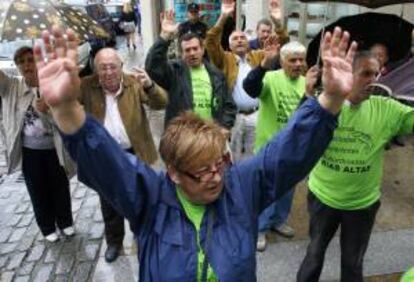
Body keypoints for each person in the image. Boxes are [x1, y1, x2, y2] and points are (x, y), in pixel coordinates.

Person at [34, 25, 356, 282]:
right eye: (201, 171)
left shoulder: (240, 187)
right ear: (173, 172)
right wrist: (65, 109)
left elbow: (286, 154)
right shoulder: (150, 199)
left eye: (219, 164)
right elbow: (105, 159)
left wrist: (330, 100)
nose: (216, 177)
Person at [297, 51, 414, 282]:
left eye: (376, 74)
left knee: (352, 264)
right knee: (314, 255)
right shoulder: (326, 103)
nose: (373, 80)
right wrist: (307, 96)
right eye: (366, 74)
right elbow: (298, 137)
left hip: (362, 205)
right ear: (348, 74)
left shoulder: (388, 109)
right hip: (323, 198)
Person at [79, 48, 167, 262]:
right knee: (109, 201)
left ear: (121, 66)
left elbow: (161, 102)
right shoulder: (87, 85)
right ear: (95, 69)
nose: (108, 72)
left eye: (113, 66)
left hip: (134, 150)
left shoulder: (133, 82)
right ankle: (114, 241)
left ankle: (140, 235)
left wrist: (150, 85)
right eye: (103, 67)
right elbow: (66, 100)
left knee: (139, 195)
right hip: (104, 155)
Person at [243, 40, 319, 251]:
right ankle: (259, 227)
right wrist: (264, 64)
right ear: (282, 61)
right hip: (269, 148)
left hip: (293, 150)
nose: (297, 64)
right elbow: (250, 87)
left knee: (286, 190)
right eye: (292, 60)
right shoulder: (270, 78)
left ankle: (277, 220)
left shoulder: (307, 83)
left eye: (301, 60)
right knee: (265, 190)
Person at [0, 46, 75, 242]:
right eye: (21, 62)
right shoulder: (12, 87)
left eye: (30, 60)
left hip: (54, 149)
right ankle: (47, 226)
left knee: (60, 186)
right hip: (29, 151)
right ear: (17, 66)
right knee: (37, 189)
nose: (26, 65)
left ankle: (65, 222)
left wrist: (49, 110)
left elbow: (68, 118)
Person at [145, 10, 236, 129]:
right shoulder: (174, 72)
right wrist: (164, 37)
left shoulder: (217, 75)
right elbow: (153, 66)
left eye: (195, 48)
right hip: (182, 136)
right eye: (187, 50)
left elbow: (229, 106)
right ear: (181, 53)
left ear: (202, 50)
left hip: (210, 136)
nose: (192, 53)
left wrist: (224, 128)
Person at [205, 0, 266, 160]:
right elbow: (210, 41)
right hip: (234, 118)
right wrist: (223, 16)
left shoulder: (258, 56)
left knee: (254, 156)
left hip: (256, 115)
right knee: (233, 156)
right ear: (229, 45)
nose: (239, 40)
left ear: (248, 43)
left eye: (242, 38)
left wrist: (278, 23)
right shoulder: (224, 59)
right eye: (235, 38)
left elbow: (278, 48)